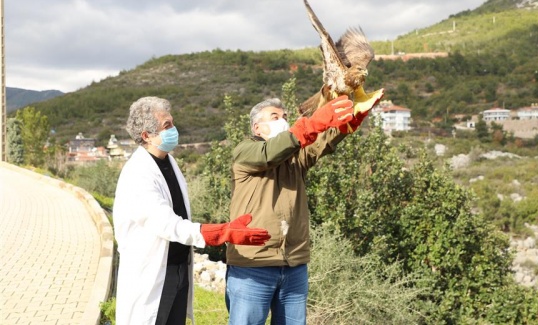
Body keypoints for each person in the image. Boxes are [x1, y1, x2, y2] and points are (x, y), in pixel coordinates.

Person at [113, 96, 271, 325]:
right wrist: (218, 233)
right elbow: (166, 223)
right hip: (152, 273)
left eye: (172, 123)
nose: (174, 130)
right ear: (147, 135)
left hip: (177, 269)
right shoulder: (137, 173)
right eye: (167, 126)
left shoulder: (169, 161)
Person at [225, 94, 374, 324]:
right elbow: (268, 154)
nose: (283, 121)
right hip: (253, 265)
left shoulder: (295, 157)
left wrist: (350, 119)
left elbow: (320, 141)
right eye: (274, 117)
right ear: (256, 127)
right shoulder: (245, 152)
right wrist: (312, 123)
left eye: (284, 116)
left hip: (293, 265)